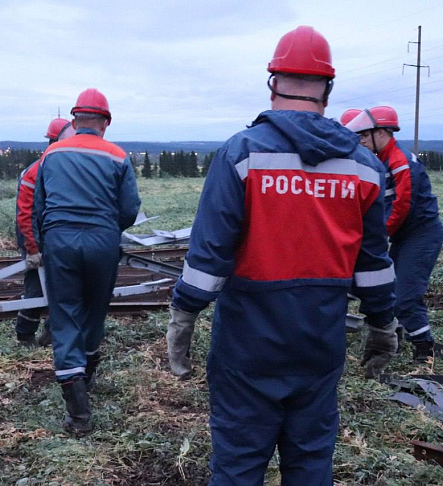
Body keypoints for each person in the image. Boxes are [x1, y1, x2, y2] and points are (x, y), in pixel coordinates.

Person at [168, 26, 397, 484]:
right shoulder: (365, 167)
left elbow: (210, 254)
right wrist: (382, 324)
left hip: (246, 342)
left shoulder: (242, 152)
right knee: (310, 460)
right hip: (320, 340)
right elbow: (373, 264)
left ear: (273, 83)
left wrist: (184, 316)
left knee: (237, 463)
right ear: (327, 89)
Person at [33, 88, 141, 435]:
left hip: (60, 241)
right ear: (105, 123)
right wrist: (107, 230)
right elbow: (129, 209)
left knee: (65, 316)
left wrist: (47, 240)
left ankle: (79, 415)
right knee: (95, 310)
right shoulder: (118, 157)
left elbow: (39, 206)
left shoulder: (52, 154)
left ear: (75, 120)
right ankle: (88, 374)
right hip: (101, 242)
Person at [345, 106, 443, 362]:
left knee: (405, 296)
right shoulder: (384, 159)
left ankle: (424, 352)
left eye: (365, 135)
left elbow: (401, 207)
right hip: (405, 235)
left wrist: (376, 236)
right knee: (390, 288)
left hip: (421, 235)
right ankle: (395, 340)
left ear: (381, 132)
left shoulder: (399, 162)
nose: (361, 141)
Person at [14, 117, 75, 348]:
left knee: (64, 286)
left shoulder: (61, 168)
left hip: (56, 238)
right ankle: (25, 335)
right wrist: (32, 248)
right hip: (36, 238)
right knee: (36, 288)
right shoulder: (36, 171)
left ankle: (52, 331)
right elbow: (26, 213)